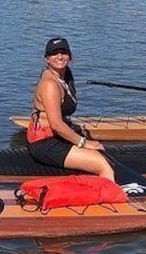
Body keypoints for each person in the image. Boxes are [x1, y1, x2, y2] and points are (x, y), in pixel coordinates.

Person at [26, 38, 115, 181]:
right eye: (54, 53)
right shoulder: (50, 84)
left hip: (57, 137)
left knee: (102, 153)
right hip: (44, 143)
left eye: (64, 52)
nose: (60, 57)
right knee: (102, 163)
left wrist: (74, 129)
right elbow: (56, 124)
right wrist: (84, 143)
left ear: (70, 56)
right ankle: (110, 198)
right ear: (46, 59)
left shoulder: (65, 75)